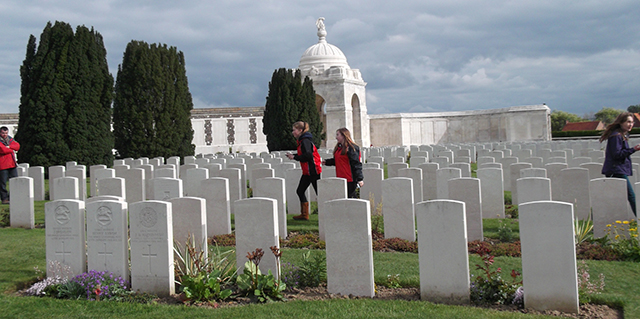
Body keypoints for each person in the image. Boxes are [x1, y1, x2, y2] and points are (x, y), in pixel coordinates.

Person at [600, 112, 640, 216]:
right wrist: (634, 149)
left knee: (607, 197)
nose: (631, 124)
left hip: (617, 169)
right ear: (621, 122)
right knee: (631, 196)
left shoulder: (621, 135)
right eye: (628, 122)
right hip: (616, 170)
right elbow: (617, 154)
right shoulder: (616, 136)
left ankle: (593, 219)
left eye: (632, 122)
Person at [286, 121, 322, 220]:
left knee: (319, 193)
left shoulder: (305, 141)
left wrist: (294, 157)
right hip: (308, 171)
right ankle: (304, 214)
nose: (293, 132)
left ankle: (327, 212)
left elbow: (308, 155)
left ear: (300, 130)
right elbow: (304, 154)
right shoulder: (302, 141)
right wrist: (294, 156)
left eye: (294, 130)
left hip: (313, 170)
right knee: (300, 190)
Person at [323, 127, 364, 198]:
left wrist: (360, 179)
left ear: (343, 135)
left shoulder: (351, 147)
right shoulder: (339, 147)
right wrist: (326, 162)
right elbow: (338, 160)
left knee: (351, 198)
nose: (336, 137)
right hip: (341, 177)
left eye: (337, 135)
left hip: (350, 178)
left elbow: (356, 163)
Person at [0, 126, 19, 204]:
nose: (5, 135)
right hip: (2, 165)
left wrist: (9, 147)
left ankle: (13, 197)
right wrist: (11, 149)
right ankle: (4, 198)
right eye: (3, 133)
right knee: (2, 183)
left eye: (6, 133)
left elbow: (17, 146)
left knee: (15, 181)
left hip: (12, 164)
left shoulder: (10, 139)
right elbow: (2, 150)